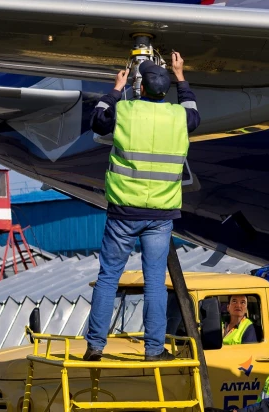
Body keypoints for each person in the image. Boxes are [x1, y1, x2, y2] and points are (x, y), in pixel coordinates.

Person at [84, 51, 200, 362]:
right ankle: (153, 350)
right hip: (161, 215)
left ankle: (95, 346)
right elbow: (193, 112)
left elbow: (96, 119)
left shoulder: (124, 110)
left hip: (123, 211)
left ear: (142, 88)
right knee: (154, 284)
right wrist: (180, 75)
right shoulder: (178, 116)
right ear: (165, 91)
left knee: (109, 277)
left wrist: (115, 89)